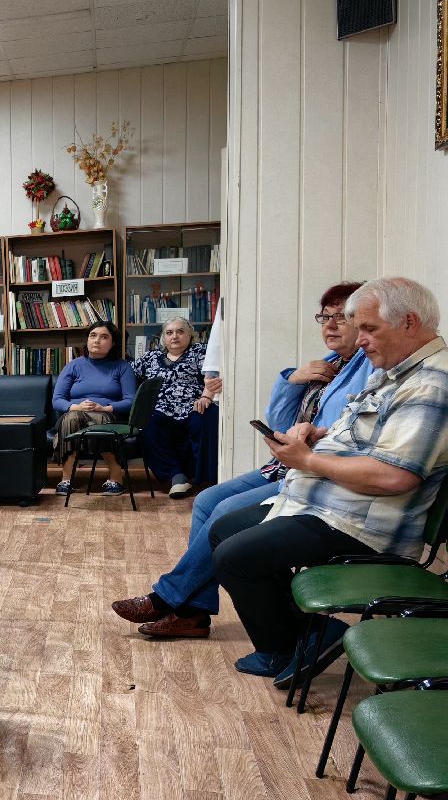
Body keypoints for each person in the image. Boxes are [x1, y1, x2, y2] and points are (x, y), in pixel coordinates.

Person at [211, 277, 448, 681]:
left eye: (369, 328)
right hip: (330, 504)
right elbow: (365, 436)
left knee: (235, 557)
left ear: (409, 322)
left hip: (362, 525)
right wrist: (317, 435)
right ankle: (307, 636)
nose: (360, 339)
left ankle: (286, 645)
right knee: (224, 530)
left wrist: (307, 460)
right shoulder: (396, 372)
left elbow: (394, 477)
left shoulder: (431, 385)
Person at [113, 283, 369, 641]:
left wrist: (311, 436)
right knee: (206, 500)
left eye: (341, 317)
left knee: (223, 511)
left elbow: (350, 435)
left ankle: (172, 599)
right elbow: (279, 422)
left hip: (312, 476)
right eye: (324, 317)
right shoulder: (327, 365)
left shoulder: (368, 369)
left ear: (363, 320)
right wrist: (292, 379)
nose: (330, 325)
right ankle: (193, 611)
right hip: (285, 466)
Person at [132, 316, 216, 497]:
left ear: (190, 334)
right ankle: (176, 476)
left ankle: (205, 478)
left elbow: (213, 376)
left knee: (206, 417)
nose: (174, 336)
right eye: (169, 333)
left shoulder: (199, 352)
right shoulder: (151, 357)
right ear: (163, 337)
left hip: (193, 404)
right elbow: (126, 373)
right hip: (159, 408)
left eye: (180, 331)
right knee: (146, 422)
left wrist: (205, 397)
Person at [51, 322, 136, 496]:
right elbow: (57, 400)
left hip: (107, 416)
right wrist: (75, 406)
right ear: (87, 340)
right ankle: (66, 479)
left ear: (113, 343)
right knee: (72, 418)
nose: (97, 340)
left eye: (104, 337)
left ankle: (116, 478)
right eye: (93, 335)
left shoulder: (122, 367)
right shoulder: (73, 366)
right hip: (74, 414)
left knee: (100, 418)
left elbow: (131, 401)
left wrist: (105, 408)